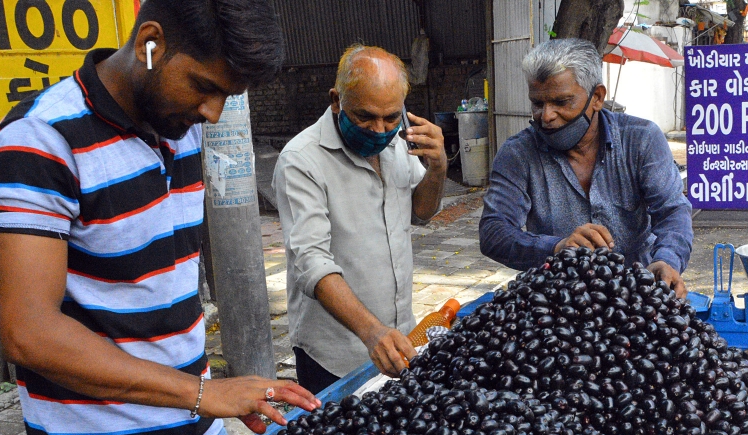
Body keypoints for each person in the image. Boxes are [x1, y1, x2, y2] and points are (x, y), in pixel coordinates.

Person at [0, 0, 321, 435]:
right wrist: (204, 393)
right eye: (204, 87)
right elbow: (28, 332)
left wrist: (203, 403)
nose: (213, 113)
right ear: (150, 43)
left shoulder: (178, 127)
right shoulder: (38, 142)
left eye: (228, 97)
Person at [274, 45, 447, 393]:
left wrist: (438, 167)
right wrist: (371, 331)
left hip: (400, 337)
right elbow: (311, 262)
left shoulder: (397, 144)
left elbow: (421, 212)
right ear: (336, 100)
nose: (379, 130)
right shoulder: (301, 161)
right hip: (335, 356)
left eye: (391, 117)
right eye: (365, 117)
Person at [478, 39, 693, 297]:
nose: (546, 116)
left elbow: (672, 211)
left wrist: (667, 260)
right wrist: (557, 247)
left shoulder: (641, 139)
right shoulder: (517, 154)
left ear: (597, 98)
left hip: (637, 296)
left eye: (561, 102)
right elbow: (493, 232)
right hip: (556, 299)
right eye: (537, 104)